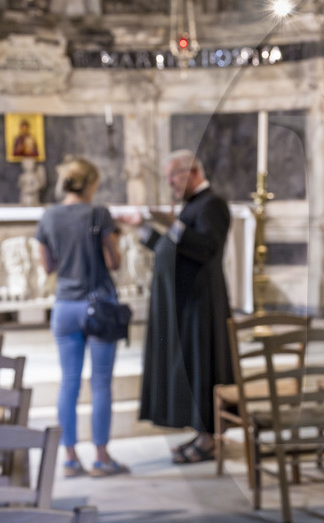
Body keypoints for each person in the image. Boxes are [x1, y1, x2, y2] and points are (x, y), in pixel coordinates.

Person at [120, 150, 233, 464]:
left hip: (203, 303)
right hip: (186, 305)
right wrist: (141, 228)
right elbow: (168, 249)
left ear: (193, 172)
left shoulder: (213, 205)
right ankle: (201, 434)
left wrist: (174, 226)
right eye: (168, 177)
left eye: (174, 175)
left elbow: (207, 249)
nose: (169, 182)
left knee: (204, 367)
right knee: (192, 369)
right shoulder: (191, 208)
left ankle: (210, 438)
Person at [35, 156, 128, 477]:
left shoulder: (48, 217)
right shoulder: (98, 213)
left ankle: (70, 459)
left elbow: (48, 266)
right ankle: (102, 457)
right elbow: (114, 261)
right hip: (98, 303)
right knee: (101, 383)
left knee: (69, 383)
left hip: (64, 306)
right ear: (90, 184)